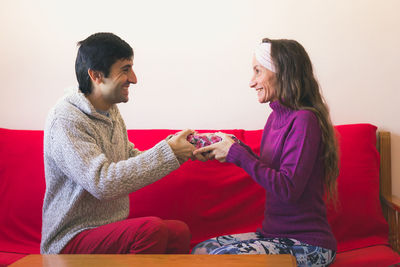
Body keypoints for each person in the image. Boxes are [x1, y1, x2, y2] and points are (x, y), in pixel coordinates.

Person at [41, 32, 197, 255]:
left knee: (178, 232)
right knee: (150, 230)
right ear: (96, 75)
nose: (134, 78)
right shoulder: (66, 119)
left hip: (107, 229)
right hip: (70, 239)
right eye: (125, 69)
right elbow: (102, 183)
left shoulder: (109, 110)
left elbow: (128, 156)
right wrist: (168, 152)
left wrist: (180, 151)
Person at [192, 38, 339, 267]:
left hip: (308, 245)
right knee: (202, 250)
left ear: (281, 72)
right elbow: (271, 172)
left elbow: (288, 189)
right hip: (275, 236)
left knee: (218, 259)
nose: (252, 82)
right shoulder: (275, 117)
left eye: (257, 71)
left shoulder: (304, 120)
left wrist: (237, 154)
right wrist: (236, 147)